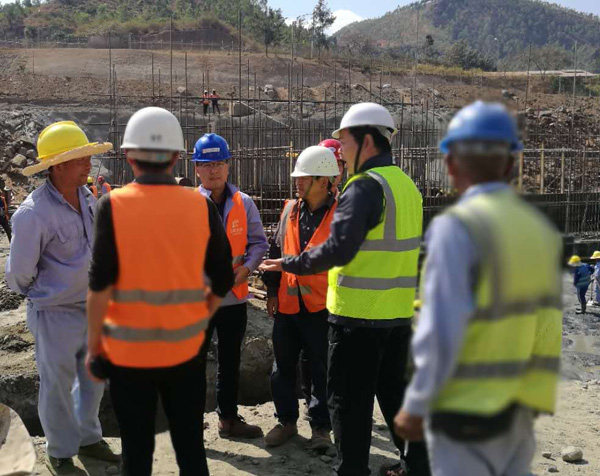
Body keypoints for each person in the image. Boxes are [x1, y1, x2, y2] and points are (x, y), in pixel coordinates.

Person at [394, 101, 563, 476]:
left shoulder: (457, 228)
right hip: (519, 404)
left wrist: (417, 403)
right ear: (511, 163)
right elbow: (550, 323)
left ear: (451, 164)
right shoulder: (540, 230)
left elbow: (442, 326)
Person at [261, 103, 429, 476]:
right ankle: (418, 467)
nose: (341, 152)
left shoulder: (364, 186)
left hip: (358, 320)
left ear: (366, 141)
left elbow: (338, 248)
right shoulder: (406, 186)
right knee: (396, 398)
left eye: (345, 141)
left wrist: (290, 263)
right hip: (397, 316)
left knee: (349, 406)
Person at [86, 107, 234, 476]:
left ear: (128, 156)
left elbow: (100, 284)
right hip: (185, 352)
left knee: (136, 453)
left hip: (128, 356)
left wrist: (95, 348)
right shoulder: (200, 205)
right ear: (177, 157)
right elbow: (222, 277)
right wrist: (199, 319)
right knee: (190, 447)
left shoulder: (112, 205)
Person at [6, 121, 118, 475]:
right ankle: (60, 451)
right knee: (57, 385)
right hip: (54, 313)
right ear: (57, 166)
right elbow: (18, 274)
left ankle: (88, 438)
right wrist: (48, 294)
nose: (88, 164)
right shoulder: (33, 213)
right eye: (80, 158)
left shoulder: (87, 198)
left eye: (87, 157)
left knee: (92, 379)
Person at [261, 146, 339, 449]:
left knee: (321, 368)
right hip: (288, 303)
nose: (297, 182)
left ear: (323, 181)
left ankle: (320, 427)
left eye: (304, 177)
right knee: (282, 366)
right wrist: (271, 290)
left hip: (322, 305)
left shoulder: (340, 214)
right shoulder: (290, 209)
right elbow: (276, 250)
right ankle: (286, 421)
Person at [193, 132, 268, 439]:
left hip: (234, 297)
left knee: (230, 361)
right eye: (207, 164)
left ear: (228, 166)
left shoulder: (243, 203)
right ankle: (191, 422)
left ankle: (228, 419)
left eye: (219, 163)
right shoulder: (188, 205)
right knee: (193, 364)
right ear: (196, 168)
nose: (214, 170)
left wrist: (246, 269)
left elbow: (259, 243)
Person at [298, 138, 344, 415]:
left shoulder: (347, 204)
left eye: (339, 164)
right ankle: (311, 403)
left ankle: (330, 406)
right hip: (306, 298)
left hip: (336, 297)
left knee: (331, 356)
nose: (335, 171)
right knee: (309, 354)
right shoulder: (298, 207)